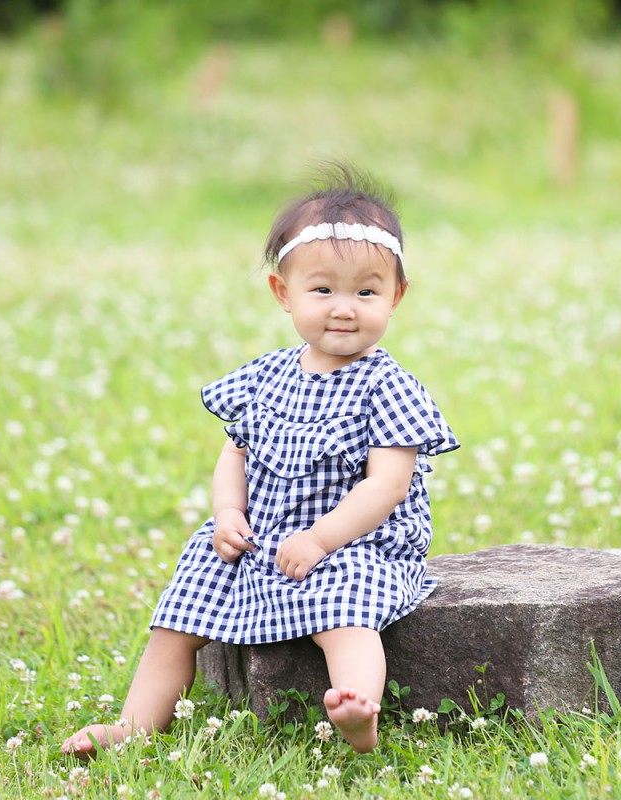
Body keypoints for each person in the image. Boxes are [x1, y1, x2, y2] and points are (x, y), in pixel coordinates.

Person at [61, 164, 459, 757]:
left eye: (366, 292)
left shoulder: (388, 386)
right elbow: (235, 452)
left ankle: (358, 711)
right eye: (322, 290)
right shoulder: (266, 375)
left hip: (353, 541)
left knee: (346, 616)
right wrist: (228, 513)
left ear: (395, 297)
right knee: (178, 617)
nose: (344, 308)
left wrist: (322, 539)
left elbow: (387, 487)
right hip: (263, 534)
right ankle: (135, 724)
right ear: (283, 293)